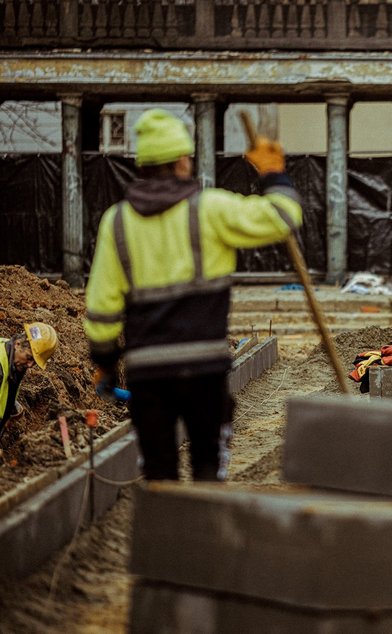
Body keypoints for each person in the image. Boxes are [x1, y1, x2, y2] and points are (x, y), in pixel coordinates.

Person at [84, 108, 302, 481]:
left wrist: (105, 361)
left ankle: (164, 536)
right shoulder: (210, 209)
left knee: (159, 475)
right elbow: (282, 217)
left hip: (148, 374)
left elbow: (102, 308)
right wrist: (273, 173)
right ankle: (203, 534)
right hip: (204, 372)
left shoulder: (117, 222)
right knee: (207, 470)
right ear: (183, 160)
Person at [0, 323, 58, 439]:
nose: (30, 365)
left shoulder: (13, 354)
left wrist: (10, 407)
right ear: (18, 344)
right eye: (29, 357)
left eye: (34, 362)